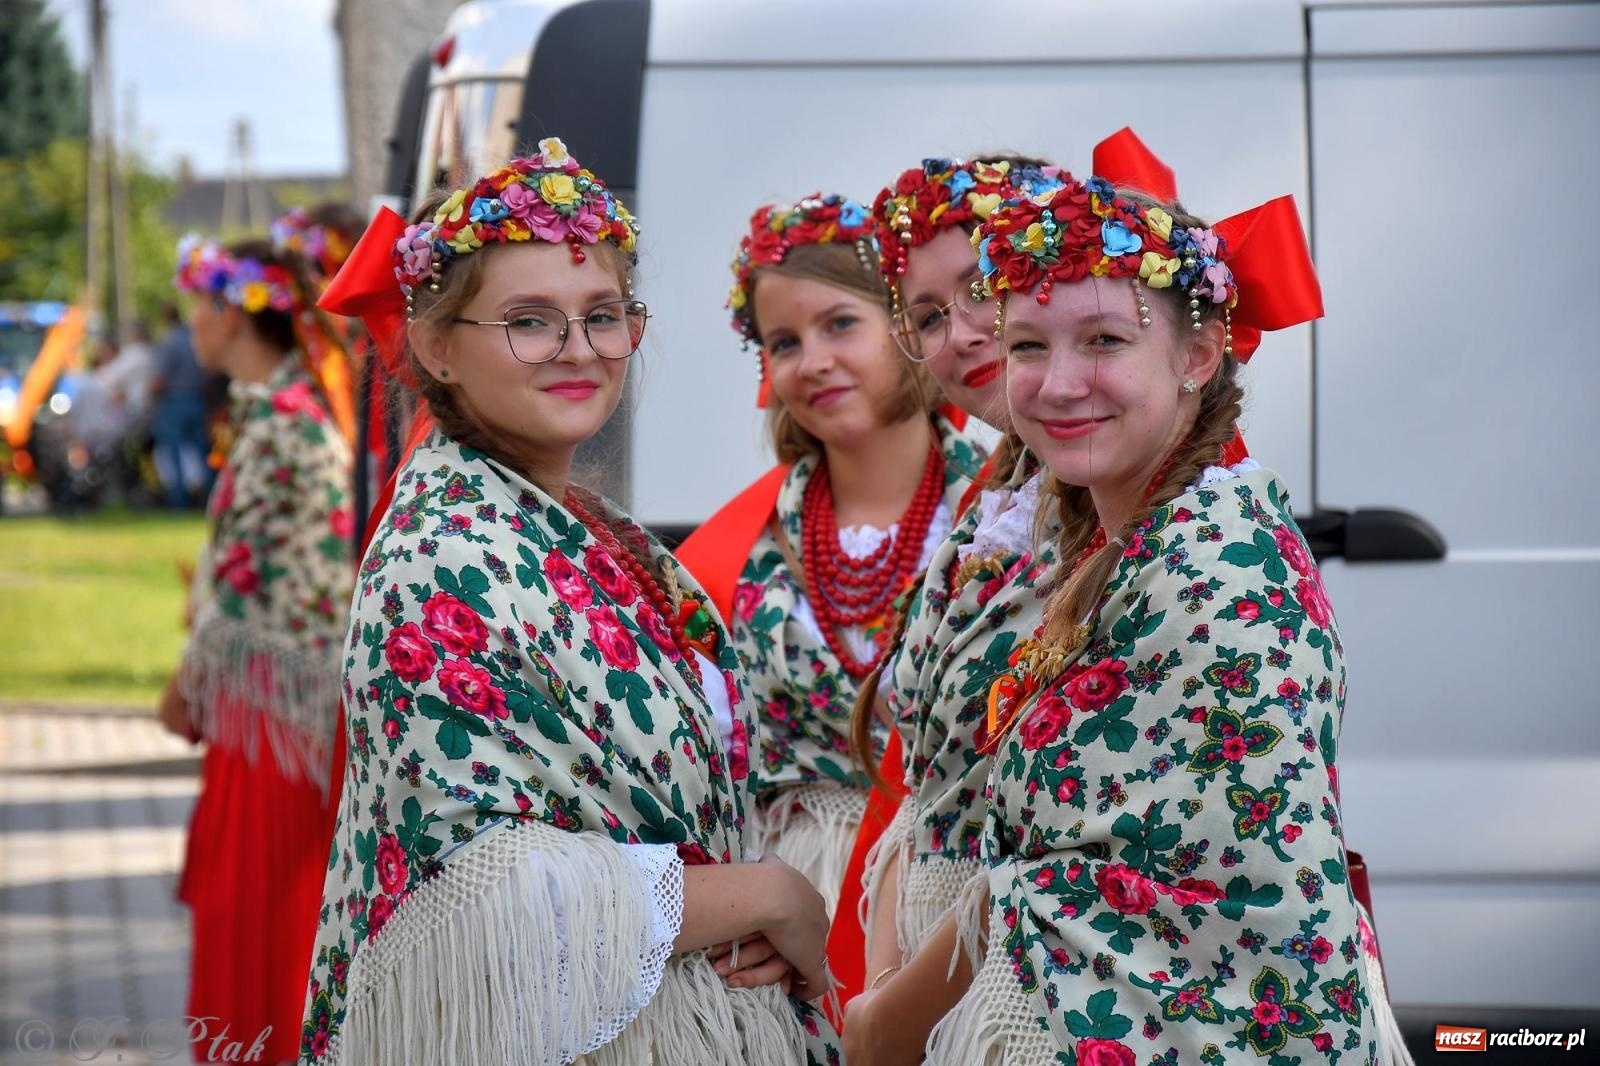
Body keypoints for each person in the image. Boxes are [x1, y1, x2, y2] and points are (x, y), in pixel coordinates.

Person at [299, 140, 840, 1066]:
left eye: (603, 315)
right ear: (435, 346)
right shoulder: (441, 556)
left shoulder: (580, 522)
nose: (579, 351)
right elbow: (483, 899)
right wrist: (770, 896)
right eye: (529, 321)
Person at [845, 170, 1387, 1065]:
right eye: (1027, 346)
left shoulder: (1216, 571)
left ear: (1200, 353)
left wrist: (879, 1028)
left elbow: (1088, 878)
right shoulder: (1112, 539)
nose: (1058, 385)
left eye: (1101, 340)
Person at [676, 193, 987, 921]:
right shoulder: (736, 546)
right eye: (784, 343)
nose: (813, 362)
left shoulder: (1005, 512)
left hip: (954, 895)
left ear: (908, 327)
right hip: (789, 901)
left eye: (840, 324)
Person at [159, 235, 355, 1063]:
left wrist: (189, 682)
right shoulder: (280, 410)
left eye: (198, 305)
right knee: (261, 899)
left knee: (262, 898)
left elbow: (240, 584)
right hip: (276, 706)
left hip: (278, 708)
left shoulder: (282, 422)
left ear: (233, 314)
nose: (191, 323)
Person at [149, 302, 212, 507]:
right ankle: (209, 496)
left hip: (175, 401)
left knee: (173, 452)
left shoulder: (170, 342)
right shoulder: (193, 339)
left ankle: (178, 500)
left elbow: (159, 378)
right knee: (202, 451)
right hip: (198, 399)